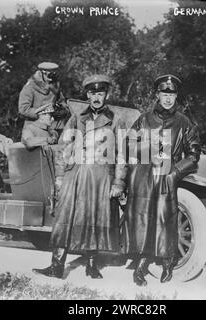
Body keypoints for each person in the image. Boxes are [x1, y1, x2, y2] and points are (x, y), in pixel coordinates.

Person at [32, 74, 126, 279]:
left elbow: (122, 154)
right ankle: (57, 266)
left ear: (106, 95)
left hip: (100, 177)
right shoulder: (76, 118)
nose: (96, 98)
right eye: (93, 93)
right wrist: (59, 177)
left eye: (100, 93)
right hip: (75, 175)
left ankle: (92, 266)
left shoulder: (116, 120)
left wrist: (118, 181)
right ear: (87, 95)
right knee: (65, 218)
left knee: (94, 219)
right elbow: (65, 147)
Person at [121, 75, 201, 286]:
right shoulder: (144, 119)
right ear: (157, 94)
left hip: (167, 178)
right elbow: (128, 144)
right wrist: (147, 150)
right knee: (143, 221)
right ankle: (140, 266)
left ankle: (168, 262)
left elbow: (194, 155)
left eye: (171, 94)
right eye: (164, 94)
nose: (167, 98)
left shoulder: (184, 122)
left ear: (176, 96)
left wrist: (175, 172)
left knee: (166, 221)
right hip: (144, 178)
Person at [21, 105, 64, 213]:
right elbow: (29, 142)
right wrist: (47, 139)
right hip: (37, 171)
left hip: (52, 168)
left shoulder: (51, 131)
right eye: (50, 116)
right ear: (42, 116)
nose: (53, 119)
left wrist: (53, 136)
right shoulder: (30, 128)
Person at [18, 62, 70, 133]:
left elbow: (62, 101)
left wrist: (62, 110)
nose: (51, 79)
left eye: (54, 75)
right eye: (50, 75)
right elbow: (23, 109)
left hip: (54, 126)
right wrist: (42, 115)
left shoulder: (54, 85)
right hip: (34, 128)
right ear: (42, 73)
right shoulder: (30, 87)